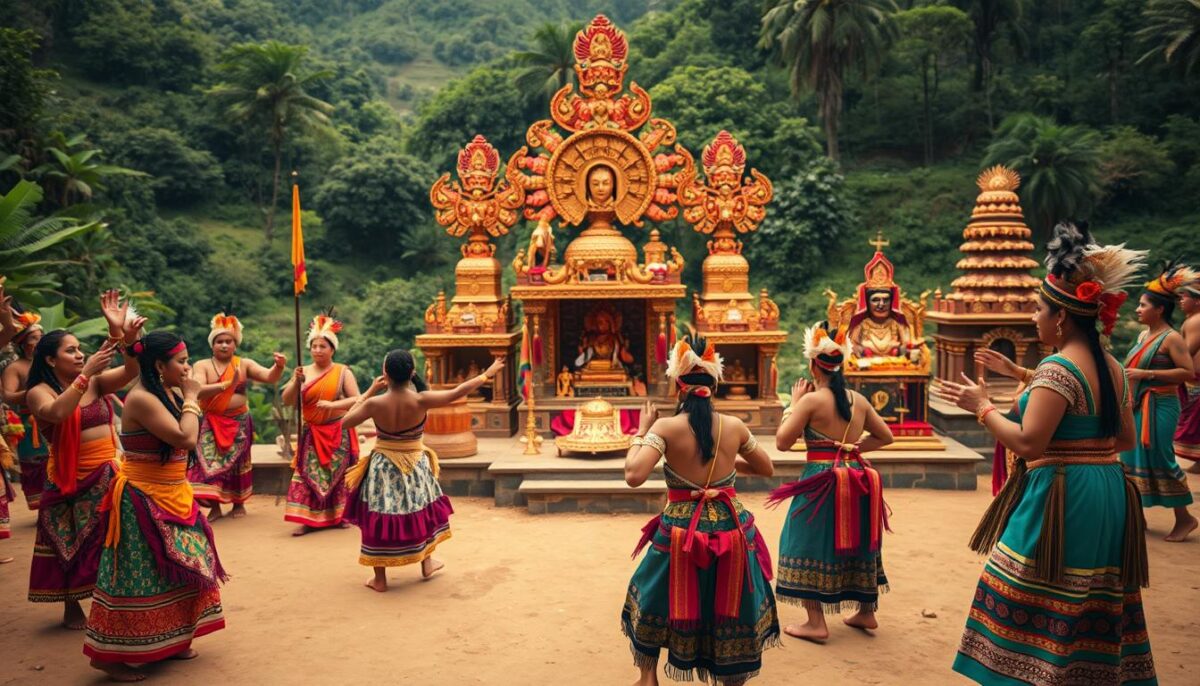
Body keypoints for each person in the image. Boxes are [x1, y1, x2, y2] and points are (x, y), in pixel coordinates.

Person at [937, 222, 1155, 685]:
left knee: (1029, 588)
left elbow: (1027, 442)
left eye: (1038, 310)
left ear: (1060, 318)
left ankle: (1032, 674)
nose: (1033, 318)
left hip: (1062, 495)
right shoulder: (1113, 367)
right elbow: (1124, 441)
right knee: (1090, 592)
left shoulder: (1057, 369)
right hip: (1108, 490)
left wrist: (981, 408)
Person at [621, 336, 779, 686]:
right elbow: (766, 467)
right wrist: (724, 471)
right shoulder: (735, 427)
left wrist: (640, 432)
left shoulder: (665, 428)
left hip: (680, 530)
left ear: (680, 387)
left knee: (653, 597)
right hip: (731, 527)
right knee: (729, 601)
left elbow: (634, 475)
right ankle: (731, 676)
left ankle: (648, 677)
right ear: (715, 384)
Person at [84, 331, 226, 682]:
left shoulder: (167, 391)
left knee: (181, 566)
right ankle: (110, 657)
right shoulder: (143, 398)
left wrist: (206, 390)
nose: (188, 367)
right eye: (181, 361)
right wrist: (192, 397)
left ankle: (174, 638)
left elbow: (197, 405)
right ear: (160, 365)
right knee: (136, 577)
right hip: (142, 498)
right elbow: (185, 437)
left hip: (173, 492)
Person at [25, 291, 144, 629]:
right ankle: (71, 605)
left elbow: (131, 372)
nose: (79, 355)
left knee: (121, 535)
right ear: (50, 360)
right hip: (68, 476)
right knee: (67, 540)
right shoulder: (39, 392)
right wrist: (84, 375)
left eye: (80, 349)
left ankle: (120, 601)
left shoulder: (95, 381)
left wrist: (119, 333)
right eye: (71, 350)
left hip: (110, 471)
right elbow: (58, 413)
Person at [768, 323, 894, 642]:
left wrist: (794, 404)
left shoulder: (811, 401)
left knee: (806, 540)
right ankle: (866, 612)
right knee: (860, 538)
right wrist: (851, 449)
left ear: (813, 365)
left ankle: (816, 622)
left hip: (821, 478)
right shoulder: (859, 400)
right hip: (857, 476)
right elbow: (886, 436)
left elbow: (783, 442)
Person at [342, 350, 503, 591]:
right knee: (421, 511)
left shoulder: (375, 403)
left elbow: (345, 422)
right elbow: (458, 392)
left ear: (385, 374)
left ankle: (380, 579)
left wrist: (368, 392)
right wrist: (486, 375)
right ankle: (426, 563)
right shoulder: (422, 400)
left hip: (382, 467)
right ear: (412, 373)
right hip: (415, 466)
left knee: (377, 515)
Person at [1120, 265, 1198, 542]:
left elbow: (1187, 372)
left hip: (1162, 406)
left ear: (1160, 309)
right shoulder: (1144, 336)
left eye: (1143, 305)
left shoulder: (1171, 338)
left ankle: (1185, 518)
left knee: (1161, 459)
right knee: (1129, 459)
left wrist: (1147, 374)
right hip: (1139, 406)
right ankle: (1136, 516)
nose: (1138, 309)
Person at [187, 313, 286, 521]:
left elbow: (269, 377)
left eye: (228, 341)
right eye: (219, 341)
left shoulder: (244, 364)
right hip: (211, 421)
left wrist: (278, 366)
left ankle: (238, 503)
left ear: (235, 344)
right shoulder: (202, 366)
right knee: (208, 462)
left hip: (238, 421)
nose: (224, 345)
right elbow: (197, 389)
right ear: (212, 344)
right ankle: (214, 506)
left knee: (239, 462)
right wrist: (225, 385)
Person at [281, 313, 360, 535]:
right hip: (312, 433)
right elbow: (287, 400)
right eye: (314, 346)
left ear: (332, 349)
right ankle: (307, 519)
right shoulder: (302, 372)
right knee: (308, 474)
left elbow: (357, 399)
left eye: (322, 346)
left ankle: (340, 516)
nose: (317, 350)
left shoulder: (343, 371)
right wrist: (296, 383)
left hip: (336, 431)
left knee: (338, 475)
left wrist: (333, 406)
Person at [2, 305, 50, 509]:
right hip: (30, 424)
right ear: (22, 344)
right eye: (33, 338)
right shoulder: (16, 368)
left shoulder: (51, 362)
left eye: (41, 337)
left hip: (55, 417)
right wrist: (33, 393)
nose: (38, 342)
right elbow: (8, 395)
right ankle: (42, 501)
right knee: (35, 464)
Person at [1176, 278, 1200, 474]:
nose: (1181, 300)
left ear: (1197, 300)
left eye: (1185, 297)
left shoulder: (1196, 320)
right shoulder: (1192, 319)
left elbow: (1187, 352)